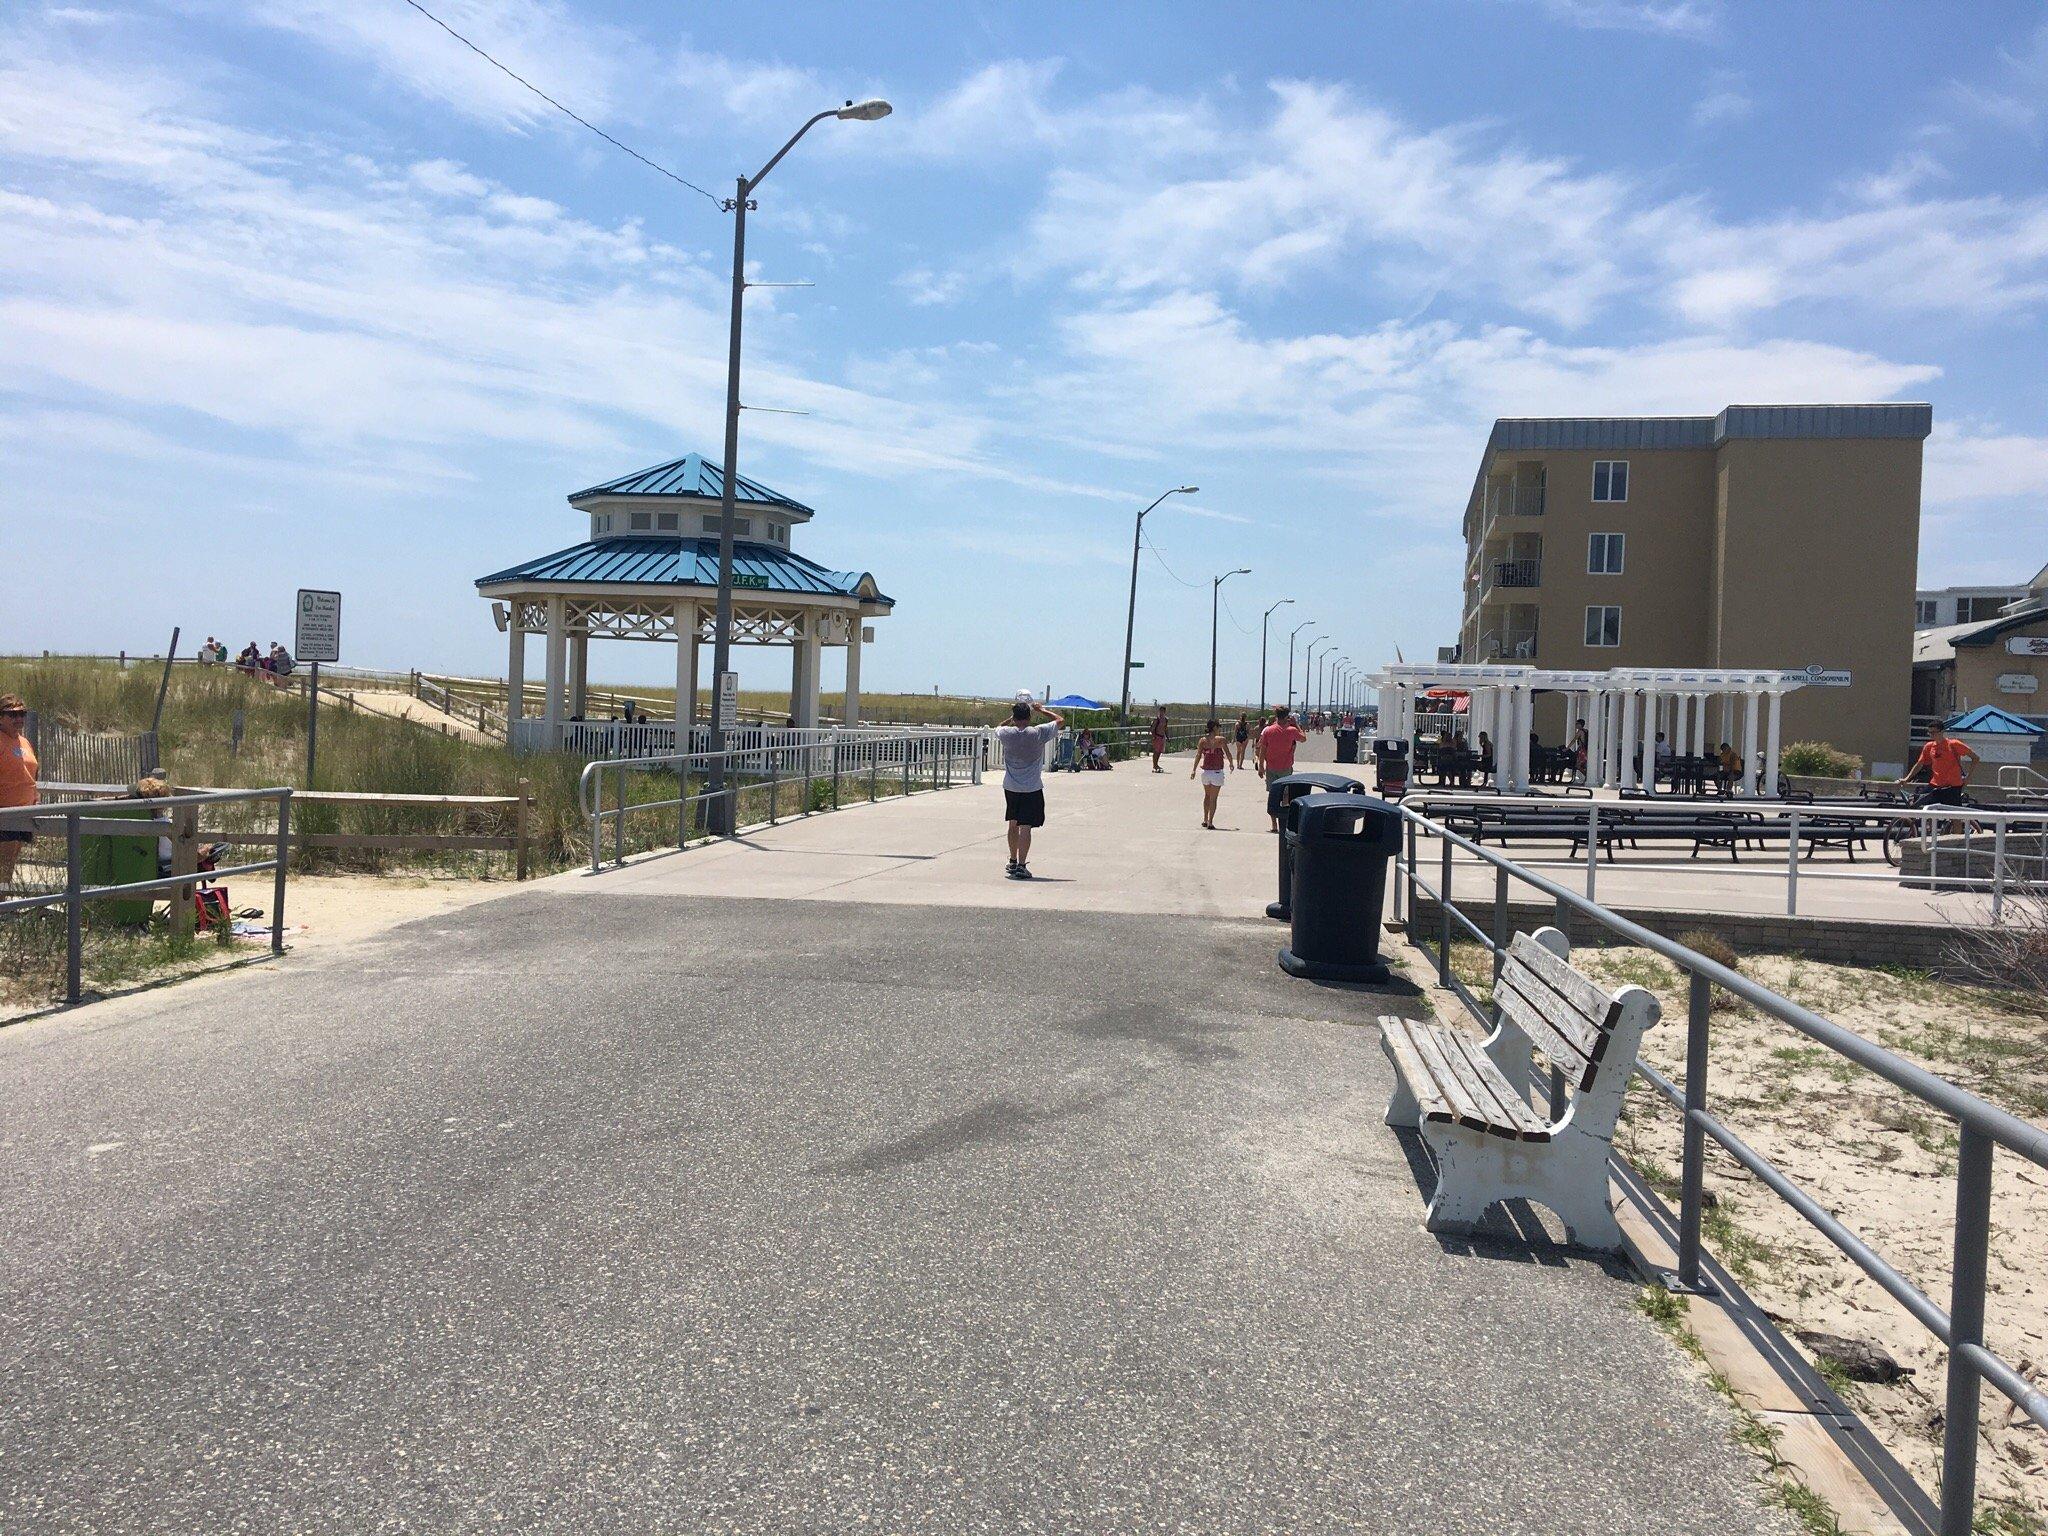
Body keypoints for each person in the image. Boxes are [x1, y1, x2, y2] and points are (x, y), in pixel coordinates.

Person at [997, 697, 1063, 879]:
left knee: (1012, 823)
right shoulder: (1038, 733)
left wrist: (1011, 719)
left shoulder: (1007, 734)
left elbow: (998, 727)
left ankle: (1012, 860)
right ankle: (1021, 865)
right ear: (1029, 717)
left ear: (1015, 717)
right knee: (1025, 826)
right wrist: (1041, 710)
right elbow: (1060, 720)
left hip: (1011, 786)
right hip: (1031, 787)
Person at [1901, 721, 1979, 837]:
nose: (1931, 735)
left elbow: (1975, 758)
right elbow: (1920, 764)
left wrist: (1968, 778)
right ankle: (1929, 833)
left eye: (1934, 732)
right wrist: (1907, 779)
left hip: (1952, 786)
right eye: (1929, 733)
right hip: (1935, 784)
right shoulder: (1929, 746)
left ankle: (1956, 840)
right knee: (1922, 804)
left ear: (1942, 732)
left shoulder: (1953, 744)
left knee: (1955, 816)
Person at [0, 693, 36, 890]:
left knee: (9, 865)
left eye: (22, 714)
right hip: (5, 813)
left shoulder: (24, 742)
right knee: (3, 867)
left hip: (24, 813)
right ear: (1, 717)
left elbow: (30, 774)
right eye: (12, 715)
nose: (18, 718)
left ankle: (4, 903)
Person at [1257, 705, 1309, 832]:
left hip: (1271, 767)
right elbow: (1303, 738)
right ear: (1287, 716)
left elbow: (1263, 750)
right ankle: (1284, 823)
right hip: (1286, 767)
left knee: (1273, 795)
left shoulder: (1268, 730)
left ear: (1276, 716)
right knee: (1286, 797)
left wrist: (1261, 766)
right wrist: (1297, 725)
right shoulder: (1292, 730)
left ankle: (1274, 824)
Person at [1191, 718, 1232, 829]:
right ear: (1214, 727)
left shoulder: (1202, 741)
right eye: (1218, 727)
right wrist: (1231, 763)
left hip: (1206, 772)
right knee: (1213, 799)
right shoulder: (1221, 740)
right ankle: (1210, 822)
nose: (1219, 729)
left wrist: (1194, 770)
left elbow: (1198, 755)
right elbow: (1228, 753)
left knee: (1207, 796)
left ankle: (1205, 819)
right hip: (1217, 772)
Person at [1149, 708, 1169, 773]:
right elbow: (1152, 728)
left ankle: (1156, 764)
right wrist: (1153, 736)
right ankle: (1154, 765)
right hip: (1157, 736)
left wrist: (1168, 737)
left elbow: (1165, 729)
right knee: (1156, 751)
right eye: (1160, 711)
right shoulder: (1156, 719)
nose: (1161, 712)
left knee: (1160, 751)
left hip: (1162, 737)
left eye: (1163, 711)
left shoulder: (1165, 719)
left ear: (1165, 712)